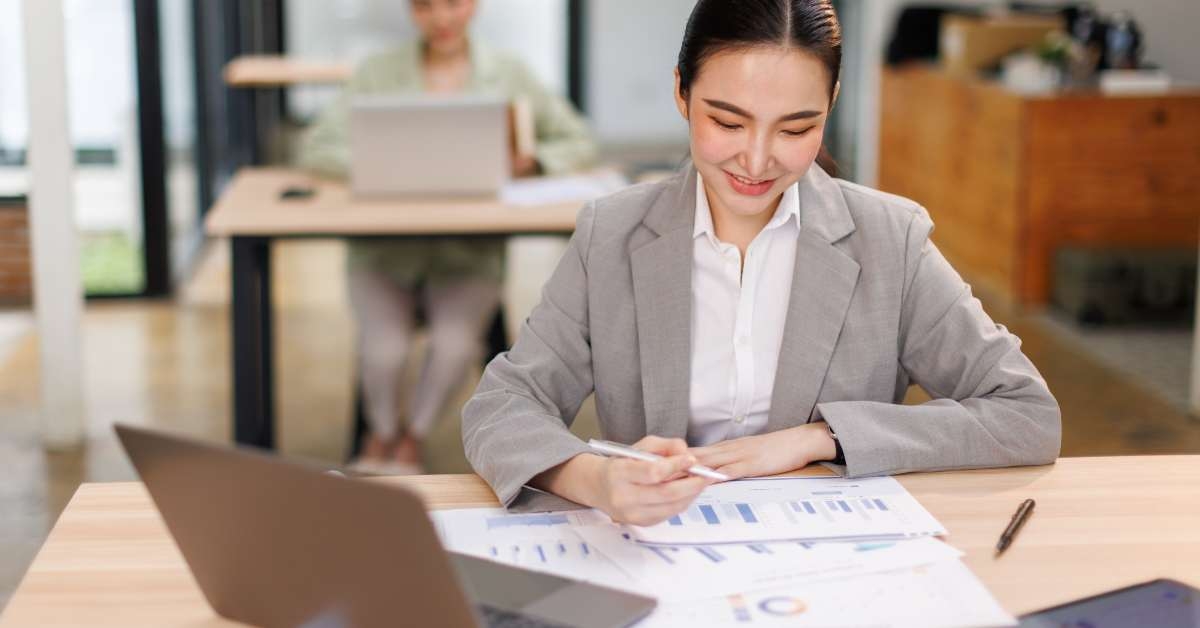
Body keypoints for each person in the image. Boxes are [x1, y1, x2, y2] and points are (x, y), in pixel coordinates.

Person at [462, 0, 1061, 523]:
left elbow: (1025, 413)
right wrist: (591, 479)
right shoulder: (612, 234)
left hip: (832, 568)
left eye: (796, 129)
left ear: (829, 106)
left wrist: (822, 439)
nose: (756, 160)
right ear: (681, 93)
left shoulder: (890, 240)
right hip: (654, 553)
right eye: (727, 121)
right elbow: (502, 406)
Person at [298, 0, 596, 474]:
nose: (441, 18)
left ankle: (411, 438)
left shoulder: (509, 71)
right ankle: (381, 434)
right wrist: (384, 167)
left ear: (474, 5)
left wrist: (532, 159)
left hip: (469, 253)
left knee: (455, 345)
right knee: (385, 349)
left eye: (453, 3)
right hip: (384, 251)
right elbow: (316, 146)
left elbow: (579, 138)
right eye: (424, 6)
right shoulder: (377, 71)